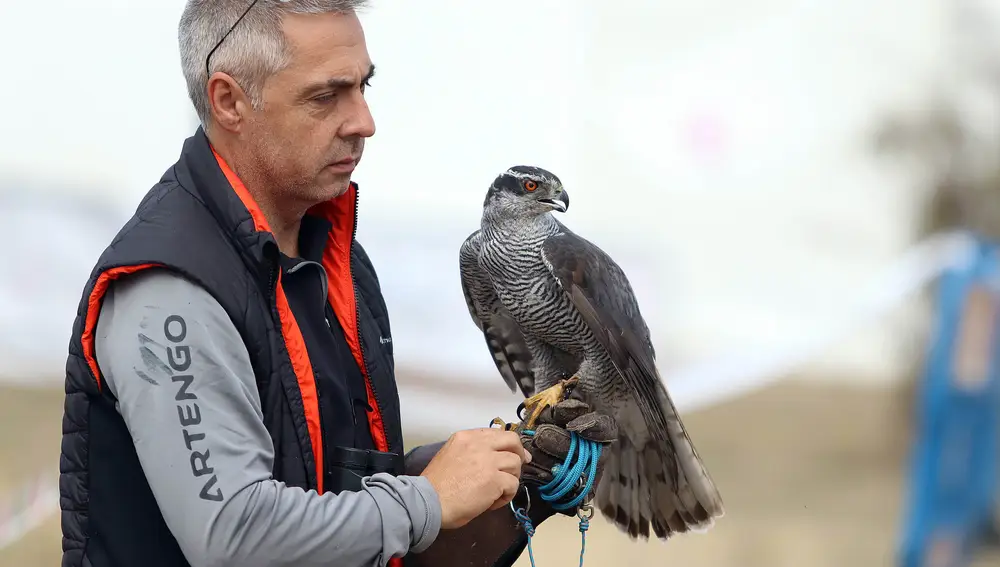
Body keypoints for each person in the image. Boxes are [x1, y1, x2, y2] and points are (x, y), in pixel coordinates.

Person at [57, 2, 617, 566]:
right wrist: (428, 498)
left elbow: (354, 529)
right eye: (326, 96)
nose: (363, 121)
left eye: (363, 87)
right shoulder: (169, 288)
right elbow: (235, 537)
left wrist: (511, 479)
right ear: (230, 102)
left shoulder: (337, 261)